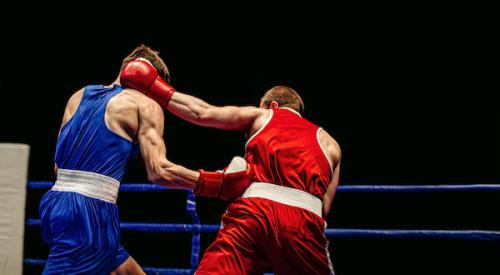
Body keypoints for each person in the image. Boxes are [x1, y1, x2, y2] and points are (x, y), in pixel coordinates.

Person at [39, 45, 253, 275]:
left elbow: (57, 166)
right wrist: (216, 184)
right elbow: (158, 171)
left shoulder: (78, 95)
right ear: (152, 82)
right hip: (89, 213)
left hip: (54, 204)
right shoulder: (145, 104)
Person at [121, 61, 341, 274]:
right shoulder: (330, 143)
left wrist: (153, 86)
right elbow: (324, 208)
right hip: (303, 223)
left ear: (270, 104)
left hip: (254, 214)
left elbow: (202, 112)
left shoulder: (263, 115)